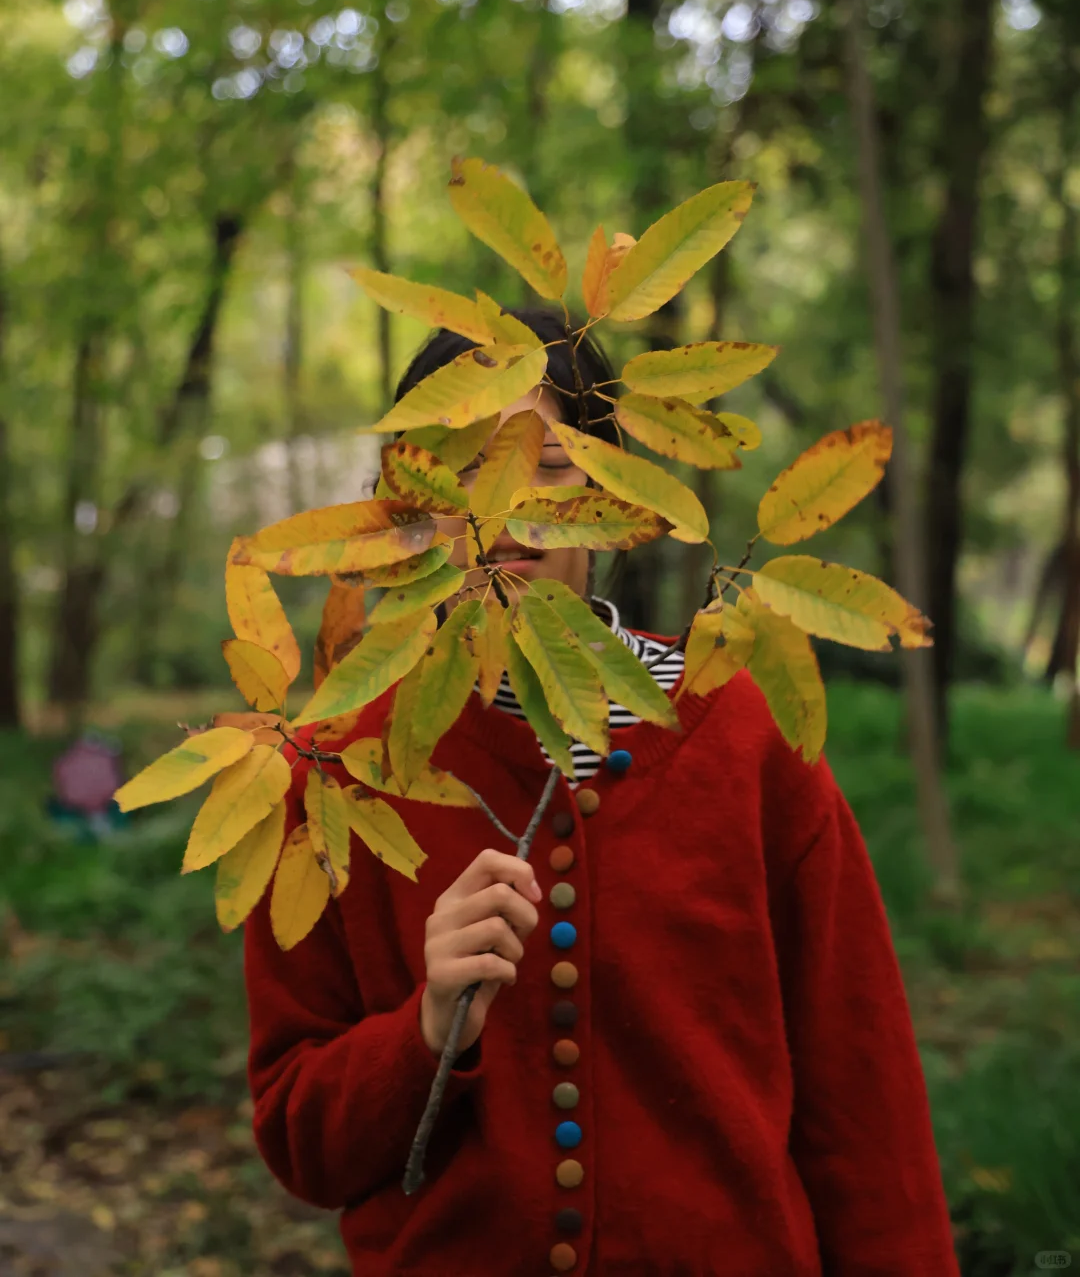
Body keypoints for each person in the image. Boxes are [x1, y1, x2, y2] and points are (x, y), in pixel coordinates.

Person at [243, 308, 960, 1277]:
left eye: (549, 465)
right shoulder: (335, 771)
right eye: (460, 472)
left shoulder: (738, 733)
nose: (505, 507)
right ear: (401, 510)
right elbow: (302, 1145)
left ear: (616, 490)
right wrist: (425, 1028)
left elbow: (863, 1094)